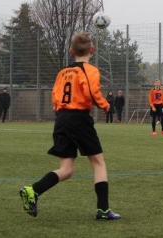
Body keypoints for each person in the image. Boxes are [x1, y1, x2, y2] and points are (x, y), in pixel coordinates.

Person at [19, 32, 120, 220]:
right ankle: (103, 210)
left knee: (66, 169)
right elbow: (92, 92)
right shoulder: (90, 70)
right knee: (98, 163)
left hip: (62, 118)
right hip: (78, 118)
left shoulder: (63, 72)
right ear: (92, 50)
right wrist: (105, 105)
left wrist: (61, 112)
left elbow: (55, 98)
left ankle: (33, 190)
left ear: (71, 51)